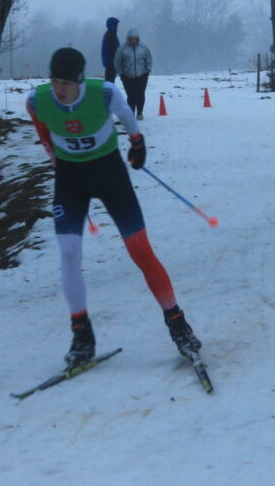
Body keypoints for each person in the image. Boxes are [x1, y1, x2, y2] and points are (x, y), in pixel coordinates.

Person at [25, 47, 201, 368]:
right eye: (54, 81)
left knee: (140, 250)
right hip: (70, 180)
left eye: (65, 82)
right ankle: (82, 336)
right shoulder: (37, 101)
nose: (58, 89)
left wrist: (137, 143)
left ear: (79, 81)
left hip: (109, 174)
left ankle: (178, 325)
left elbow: (128, 116)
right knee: (68, 254)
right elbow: (44, 134)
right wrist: (56, 162)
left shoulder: (103, 93)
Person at [113, 28, 153, 120]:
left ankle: (139, 112)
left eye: (135, 38)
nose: (133, 40)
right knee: (131, 95)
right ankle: (130, 113)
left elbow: (149, 59)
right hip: (127, 76)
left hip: (142, 75)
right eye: (132, 38)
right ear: (128, 38)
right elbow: (117, 62)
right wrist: (121, 73)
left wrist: (148, 70)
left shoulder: (143, 48)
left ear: (138, 39)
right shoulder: (122, 49)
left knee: (140, 94)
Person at [101, 17, 120, 83]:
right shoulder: (111, 35)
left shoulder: (110, 34)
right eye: (116, 25)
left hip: (110, 63)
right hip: (111, 63)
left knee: (109, 81)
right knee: (110, 82)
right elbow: (112, 51)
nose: (117, 26)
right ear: (112, 25)